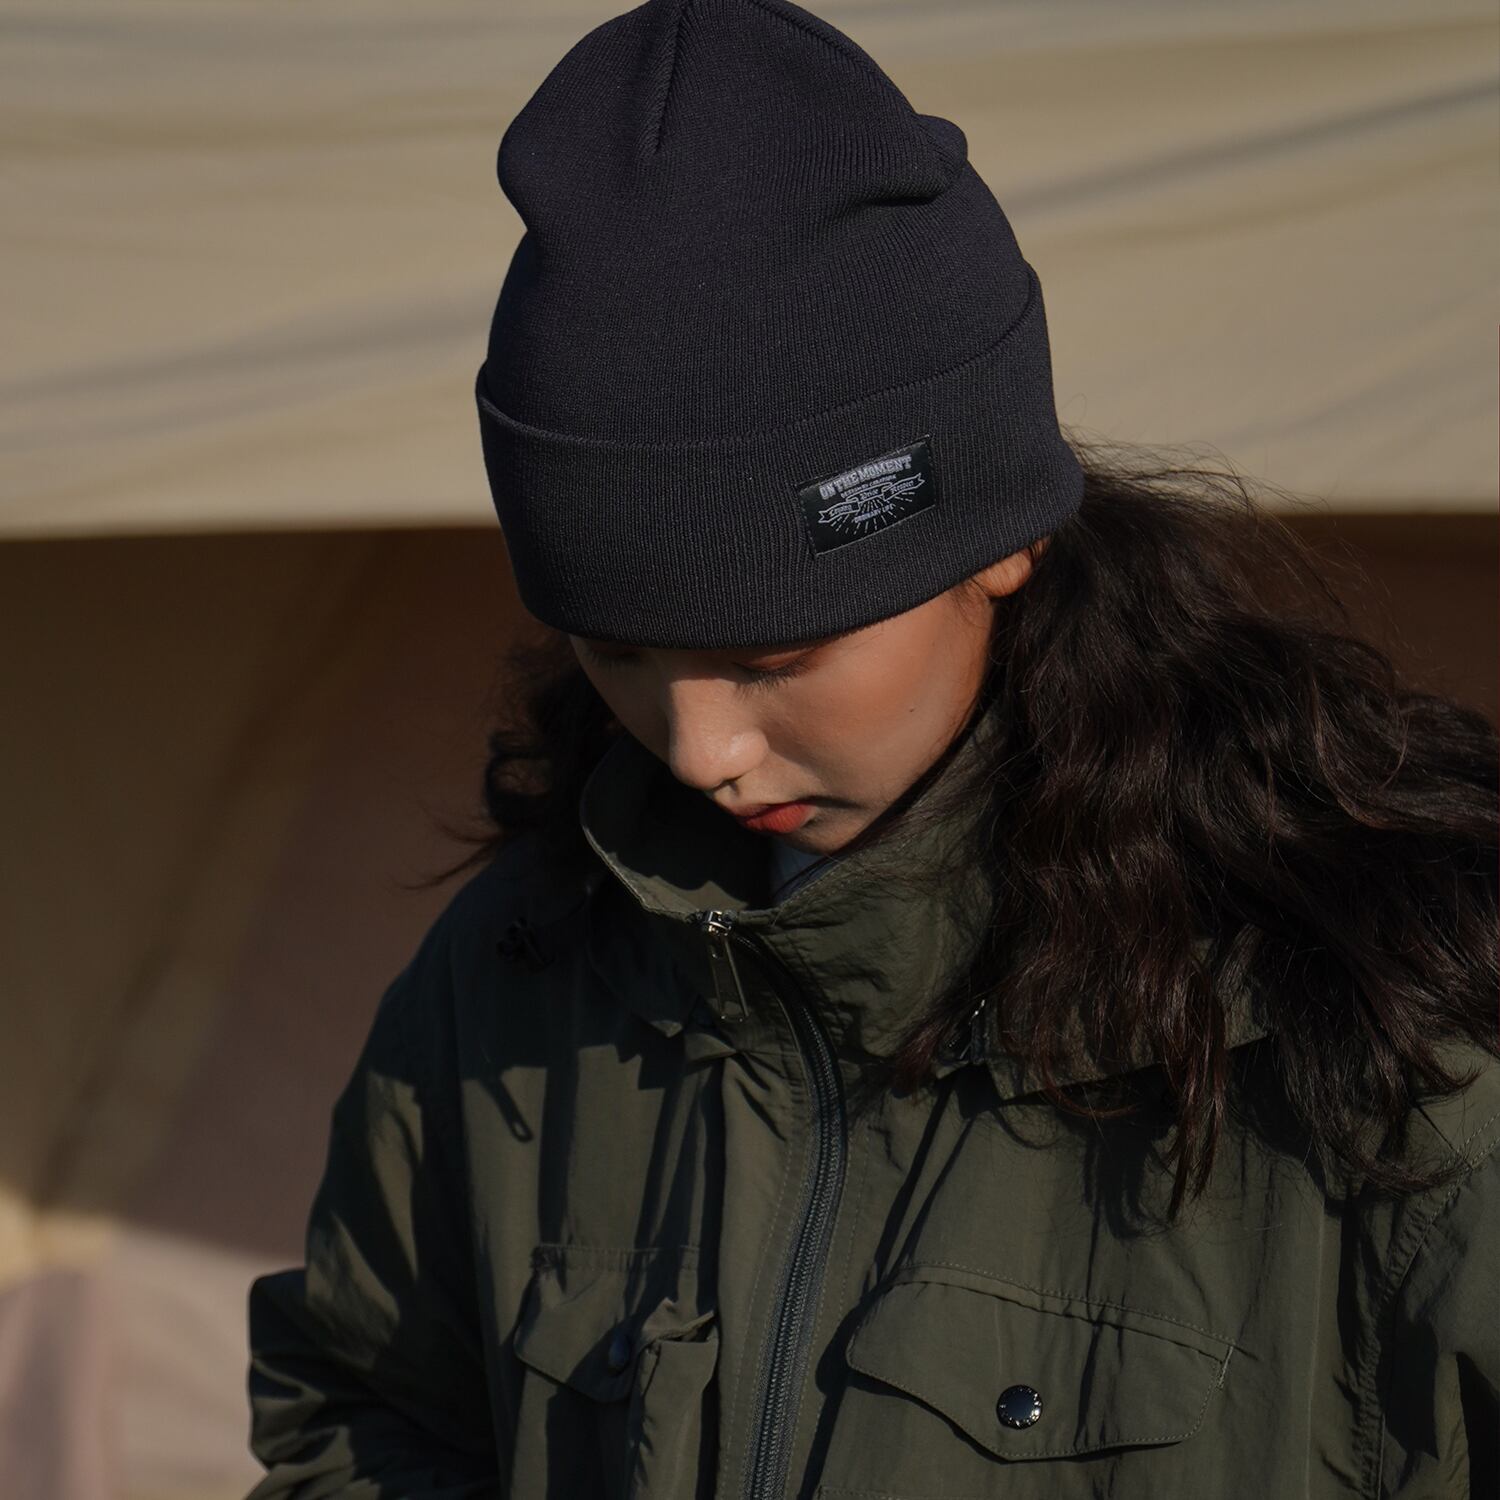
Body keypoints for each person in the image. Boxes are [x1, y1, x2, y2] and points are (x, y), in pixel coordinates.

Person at [244, 2, 1499, 1496]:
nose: (700, 749)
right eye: (619, 652)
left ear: (998, 542)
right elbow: (365, 1424)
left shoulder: (1395, 1017)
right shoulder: (520, 970)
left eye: (776, 660)